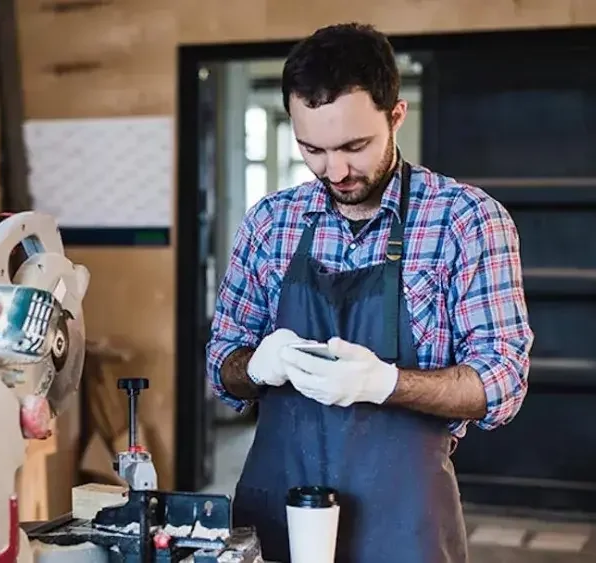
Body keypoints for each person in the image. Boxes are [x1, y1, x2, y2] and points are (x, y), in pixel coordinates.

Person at [205, 22, 534, 563]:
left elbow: (501, 382)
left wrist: (384, 382)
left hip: (403, 525)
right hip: (278, 513)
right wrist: (258, 365)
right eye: (312, 148)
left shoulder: (466, 221)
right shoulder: (271, 223)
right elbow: (222, 367)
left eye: (354, 146)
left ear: (395, 116)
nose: (333, 170)